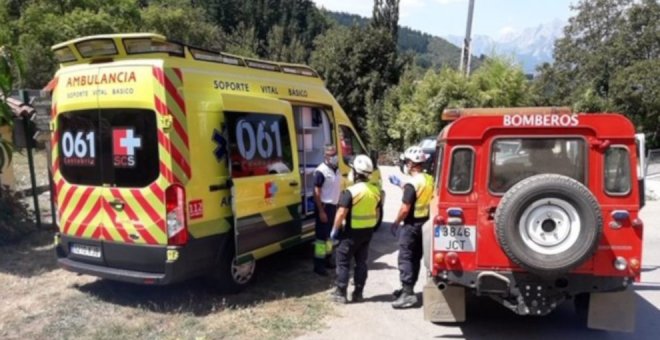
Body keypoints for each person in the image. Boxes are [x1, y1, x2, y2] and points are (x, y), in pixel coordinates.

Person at [329, 155, 381, 303]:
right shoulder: (375, 191)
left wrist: (335, 230)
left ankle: (340, 293)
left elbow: (341, 213)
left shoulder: (351, 192)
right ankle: (358, 293)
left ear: (356, 173)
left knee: (343, 261)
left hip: (351, 233)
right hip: (367, 233)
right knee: (361, 263)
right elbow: (376, 213)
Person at [389, 146, 434, 309]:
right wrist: (401, 184)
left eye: (406, 162)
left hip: (411, 225)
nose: (405, 165)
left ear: (410, 163)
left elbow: (405, 208)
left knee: (405, 257)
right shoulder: (429, 179)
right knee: (415, 257)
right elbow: (419, 192)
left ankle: (408, 294)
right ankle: (407, 289)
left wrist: (395, 222)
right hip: (425, 223)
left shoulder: (412, 183)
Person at [312, 144, 341, 276]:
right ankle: (319, 265)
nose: (334, 157)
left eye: (335, 154)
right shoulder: (321, 171)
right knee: (321, 239)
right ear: (325, 156)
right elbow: (316, 192)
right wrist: (321, 211)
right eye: (330, 155)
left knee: (330, 237)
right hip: (324, 207)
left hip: (334, 207)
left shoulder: (337, 169)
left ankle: (328, 260)